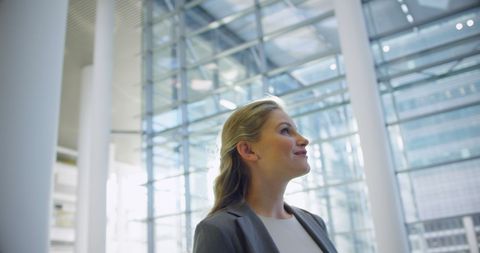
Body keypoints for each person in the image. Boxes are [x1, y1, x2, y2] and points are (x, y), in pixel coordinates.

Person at [193, 97, 338, 253]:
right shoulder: (219, 230)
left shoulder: (315, 223)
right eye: (285, 130)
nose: (304, 140)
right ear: (248, 150)